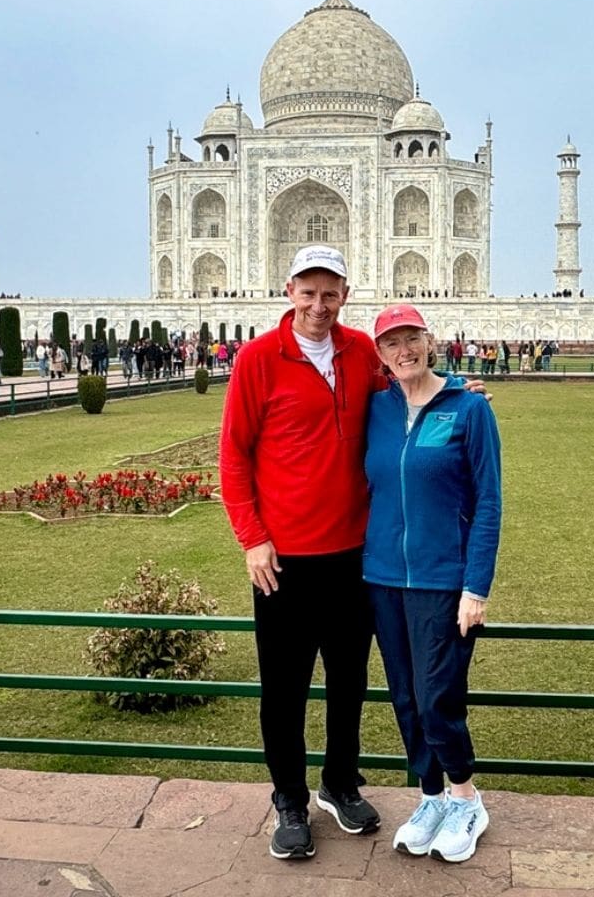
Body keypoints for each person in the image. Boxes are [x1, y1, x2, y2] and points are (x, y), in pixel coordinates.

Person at [220, 245, 383, 860]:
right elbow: (234, 455)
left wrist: (456, 395)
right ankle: (288, 798)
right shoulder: (260, 359)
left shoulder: (361, 350)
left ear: (345, 294)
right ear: (288, 290)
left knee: (349, 681)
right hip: (282, 560)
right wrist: (252, 539)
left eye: (331, 293)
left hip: (353, 553)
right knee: (283, 688)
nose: (319, 305)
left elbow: (402, 391)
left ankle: (339, 784)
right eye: (309, 292)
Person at [364, 304, 501, 863]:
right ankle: (430, 796)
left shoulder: (468, 408)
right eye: (391, 344)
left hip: (443, 580)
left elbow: (489, 503)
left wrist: (477, 587)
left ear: (430, 339)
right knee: (404, 696)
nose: (404, 351)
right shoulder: (377, 409)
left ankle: (466, 798)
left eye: (411, 339)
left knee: (436, 695)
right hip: (382, 577)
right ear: (380, 355)